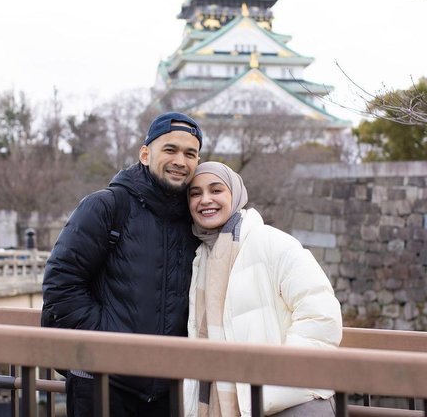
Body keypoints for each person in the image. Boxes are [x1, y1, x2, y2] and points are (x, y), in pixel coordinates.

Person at [41, 111, 203, 417]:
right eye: (170, 149)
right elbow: (60, 282)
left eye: (190, 154)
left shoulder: (193, 218)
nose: (180, 161)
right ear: (145, 154)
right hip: (102, 382)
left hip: (169, 390)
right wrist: (105, 340)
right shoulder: (107, 205)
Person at [184, 162, 343, 417]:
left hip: (292, 401)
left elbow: (320, 315)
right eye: (195, 193)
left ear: (234, 195)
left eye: (216, 190)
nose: (205, 200)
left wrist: (278, 378)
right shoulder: (200, 258)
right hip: (240, 403)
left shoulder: (271, 242)